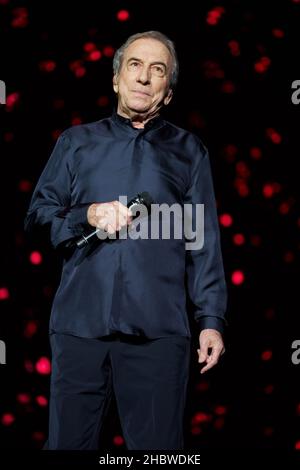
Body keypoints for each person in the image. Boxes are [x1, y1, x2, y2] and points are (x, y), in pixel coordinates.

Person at [24, 31, 227, 450]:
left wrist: (210, 320)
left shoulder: (190, 151)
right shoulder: (76, 143)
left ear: (168, 93)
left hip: (158, 331)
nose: (144, 78)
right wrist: (87, 215)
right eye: (134, 65)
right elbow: (37, 217)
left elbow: (203, 240)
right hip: (79, 325)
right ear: (116, 79)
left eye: (158, 71)